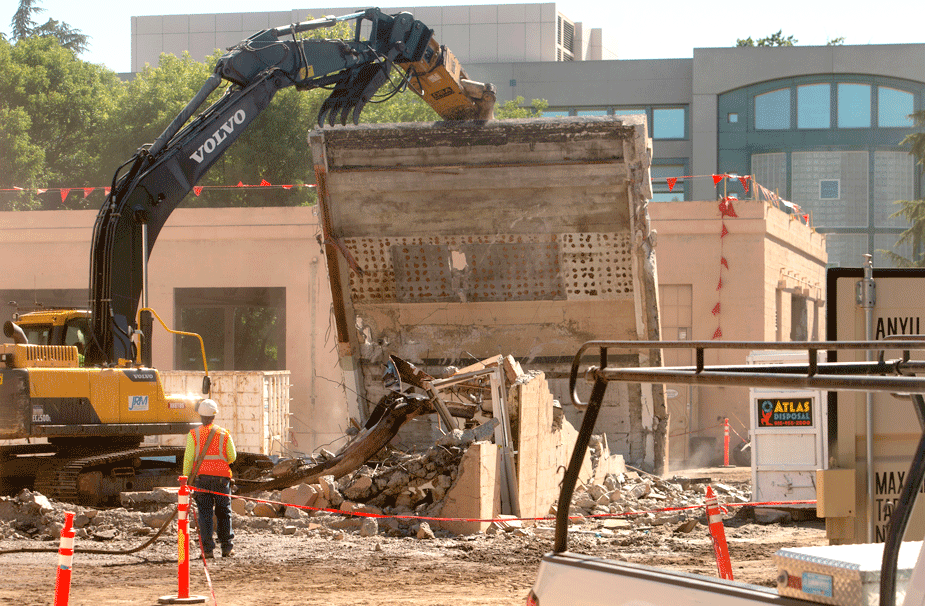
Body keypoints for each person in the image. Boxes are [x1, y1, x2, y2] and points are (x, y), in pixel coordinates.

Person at [183, 398, 237, 558]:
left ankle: (207, 551)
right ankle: (227, 548)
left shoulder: (194, 434)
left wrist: (185, 479)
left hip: (202, 480)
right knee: (224, 512)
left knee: (205, 514)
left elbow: (188, 459)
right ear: (214, 416)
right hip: (221, 480)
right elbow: (232, 457)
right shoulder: (224, 434)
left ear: (200, 416)